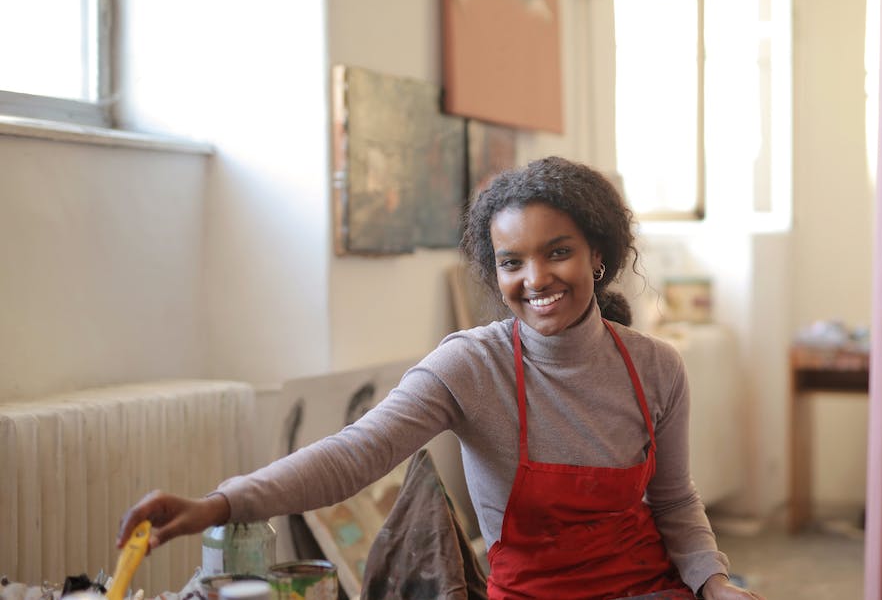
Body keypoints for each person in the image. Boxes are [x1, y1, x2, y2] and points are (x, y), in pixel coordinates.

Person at [116, 156, 764, 600]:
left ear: (598, 255)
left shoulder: (656, 366)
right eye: (512, 261)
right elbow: (354, 452)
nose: (535, 278)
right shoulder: (470, 366)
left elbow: (676, 503)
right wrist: (219, 504)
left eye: (557, 251)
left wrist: (715, 582)